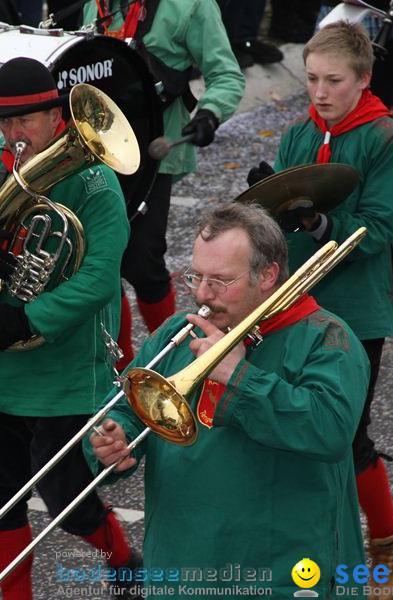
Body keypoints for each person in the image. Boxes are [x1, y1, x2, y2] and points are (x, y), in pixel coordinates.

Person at [0, 57, 140, 599]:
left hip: (58, 371)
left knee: (68, 497)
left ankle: (123, 558)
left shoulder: (95, 181)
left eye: (25, 121)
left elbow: (99, 280)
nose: (14, 134)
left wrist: (29, 316)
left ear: (56, 118)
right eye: (5, 122)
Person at [88, 202, 369, 598]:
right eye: (196, 277)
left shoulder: (327, 339)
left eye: (219, 281)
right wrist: (111, 442)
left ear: (268, 275)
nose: (202, 294)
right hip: (180, 572)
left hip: (281, 577)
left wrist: (241, 378)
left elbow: (330, 431)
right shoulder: (177, 333)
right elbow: (125, 406)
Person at [258, 21, 393, 599]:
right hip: (301, 298)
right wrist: (267, 203)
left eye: (333, 81)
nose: (319, 93)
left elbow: (378, 231)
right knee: (291, 423)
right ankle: (311, 544)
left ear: (364, 79)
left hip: (358, 305)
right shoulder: (302, 133)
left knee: (347, 432)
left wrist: (323, 223)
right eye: (310, 80)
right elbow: (280, 226)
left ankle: (387, 540)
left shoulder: (388, 140)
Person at [82, 0, 245, 372]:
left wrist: (209, 114)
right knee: (105, 265)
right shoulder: (96, 4)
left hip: (155, 153)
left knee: (143, 261)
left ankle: (169, 363)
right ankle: (118, 370)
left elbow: (227, 76)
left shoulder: (192, 6)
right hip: (99, 151)